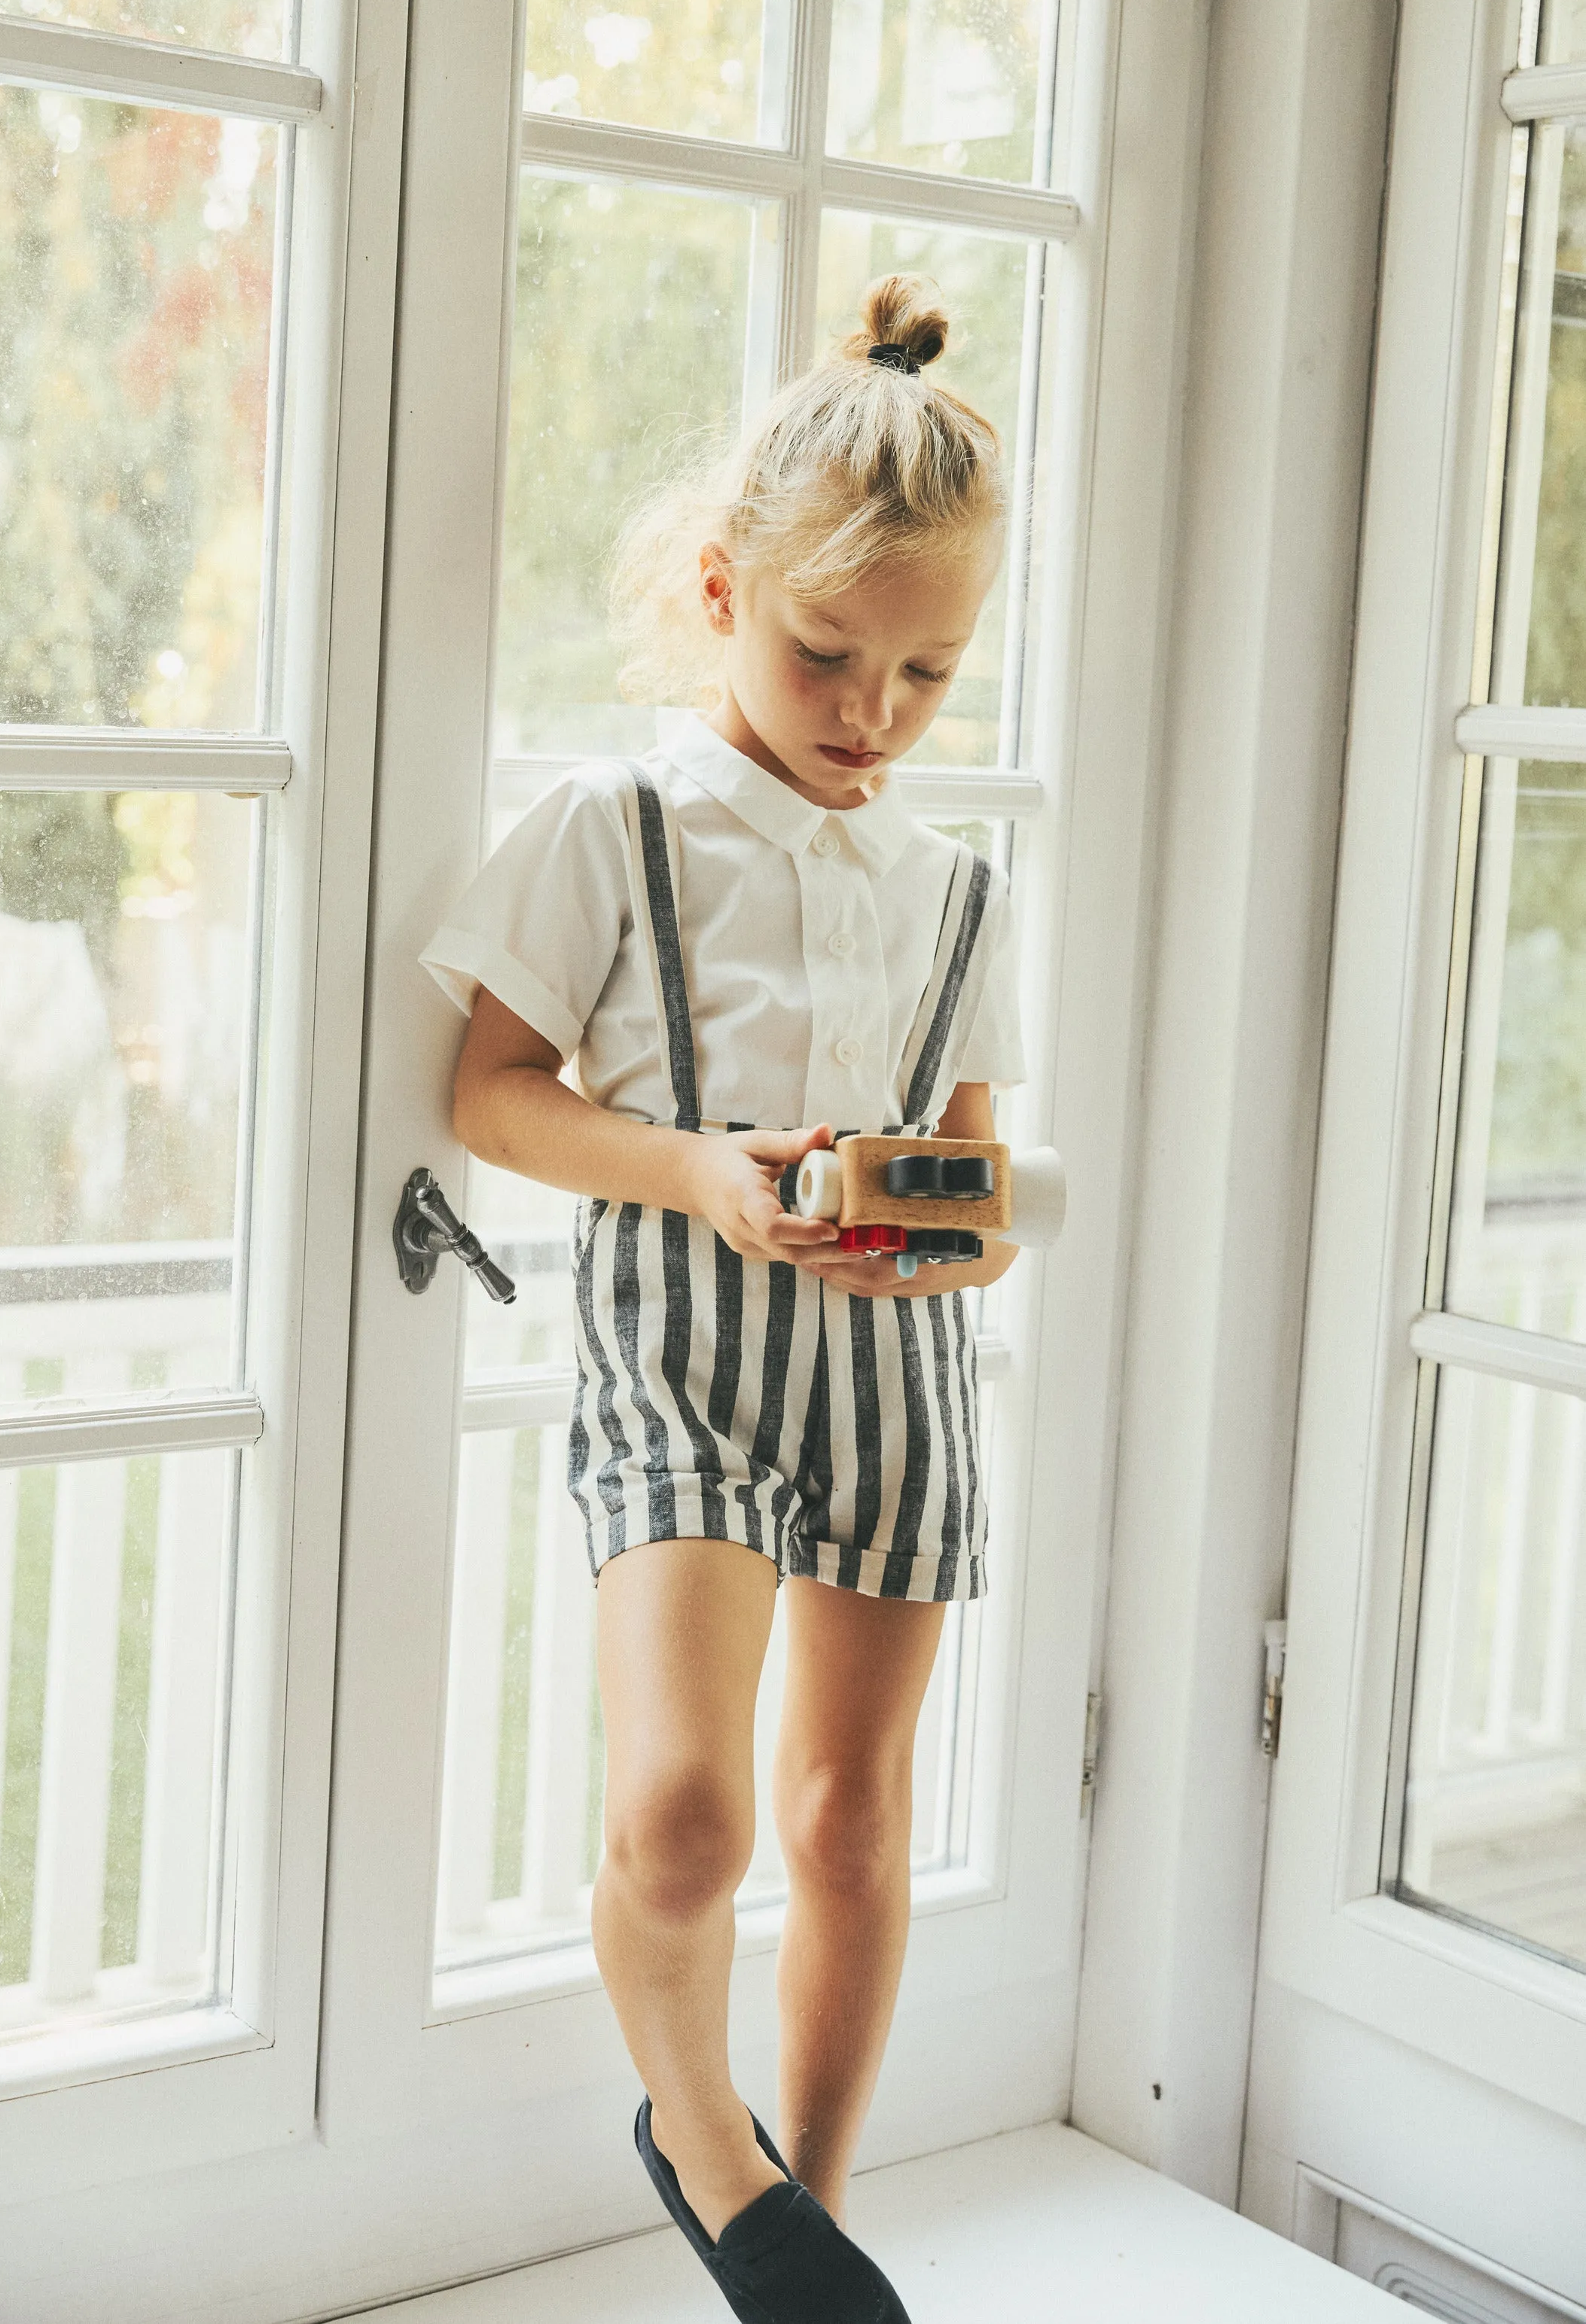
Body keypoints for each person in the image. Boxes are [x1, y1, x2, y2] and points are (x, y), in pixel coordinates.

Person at [422, 273, 1026, 2323]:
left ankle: (805, 2232)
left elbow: (973, 1164)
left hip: (897, 1378)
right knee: (682, 1819)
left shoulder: (955, 893)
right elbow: (486, 1093)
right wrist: (694, 1169)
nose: (872, 715)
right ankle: (698, 2135)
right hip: (684, 1363)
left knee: (854, 1824)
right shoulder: (618, 829)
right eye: (828, 655)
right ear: (718, 593)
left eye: (929, 676)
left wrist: (959, 1214)